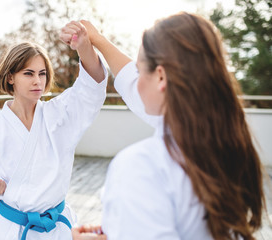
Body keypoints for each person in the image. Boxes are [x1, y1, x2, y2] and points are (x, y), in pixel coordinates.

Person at [68, 13, 265, 240]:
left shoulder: (140, 167)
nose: (136, 81)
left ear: (161, 77)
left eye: (140, 70)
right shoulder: (230, 147)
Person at [0, 21, 108, 240]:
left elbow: (91, 88)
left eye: (42, 73)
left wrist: (84, 46)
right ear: (11, 77)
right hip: (10, 229)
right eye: (28, 74)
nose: (37, 81)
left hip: (55, 228)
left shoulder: (60, 115)